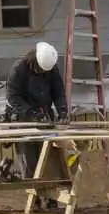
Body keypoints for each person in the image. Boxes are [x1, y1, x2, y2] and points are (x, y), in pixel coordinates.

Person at [6, 41, 67, 191]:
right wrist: (31, 113)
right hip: (22, 116)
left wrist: (62, 111)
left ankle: (51, 194)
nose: (42, 72)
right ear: (34, 62)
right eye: (40, 70)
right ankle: (35, 197)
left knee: (50, 157)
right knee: (29, 159)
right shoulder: (19, 69)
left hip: (44, 113)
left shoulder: (51, 69)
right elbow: (13, 97)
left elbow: (58, 92)